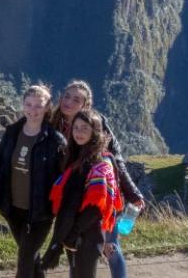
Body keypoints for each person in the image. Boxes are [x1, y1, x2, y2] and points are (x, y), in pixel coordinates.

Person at [49, 80, 144, 278]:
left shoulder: (97, 127)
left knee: (108, 245)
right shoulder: (55, 123)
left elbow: (115, 161)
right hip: (74, 197)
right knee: (76, 252)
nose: (69, 102)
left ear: (86, 105)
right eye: (66, 96)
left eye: (76, 99)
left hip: (100, 197)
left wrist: (132, 192)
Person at [0, 85, 67, 278]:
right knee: (31, 259)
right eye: (28, 104)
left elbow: (63, 178)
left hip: (41, 212)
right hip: (13, 209)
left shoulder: (55, 140)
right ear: (22, 105)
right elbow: (2, 166)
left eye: (38, 106)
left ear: (47, 108)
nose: (33, 110)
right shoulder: (11, 133)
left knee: (25, 261)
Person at [40, 110, 122, 278]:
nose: (79, 132)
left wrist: (73, 233)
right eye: (76, 128)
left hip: (87, 235)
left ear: (95, 131)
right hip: (74, 232)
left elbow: (96, 207)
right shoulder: (76, 157)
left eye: (85, 128)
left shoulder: (100, 163)